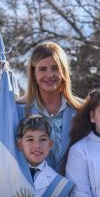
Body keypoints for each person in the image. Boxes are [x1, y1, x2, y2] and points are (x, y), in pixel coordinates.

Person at [8, 42, 82, 174]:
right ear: (33, 73)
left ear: (63, 71)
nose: (50, 75)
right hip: (31, 192)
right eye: (42, 69)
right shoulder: (17, 110)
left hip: (74, 191)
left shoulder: (81, 110)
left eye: (55, 68)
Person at [16, 114, 72, 197]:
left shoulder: (58, 184)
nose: (37, 145)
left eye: (43, 139)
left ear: (50, 144)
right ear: (20, 144)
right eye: (30, 139)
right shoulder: (9, 175)